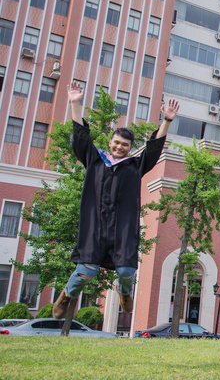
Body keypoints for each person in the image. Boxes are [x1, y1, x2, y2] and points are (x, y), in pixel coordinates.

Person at [53, 82, 178, 320]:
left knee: (126, 270)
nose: (120, 147)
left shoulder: (134, 166)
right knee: (86, 270)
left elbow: (153, 150)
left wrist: (167, 121)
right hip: (95, 225)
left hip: (123, 227)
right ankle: (67, 296)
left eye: (125, 145)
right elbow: (80, 136)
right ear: (110, 142)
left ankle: (125, 293)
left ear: (130, 148)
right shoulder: (95, 159)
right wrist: (75, 103)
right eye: (116, 143)